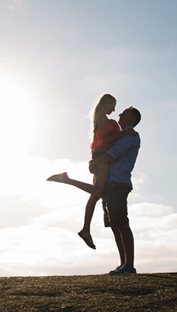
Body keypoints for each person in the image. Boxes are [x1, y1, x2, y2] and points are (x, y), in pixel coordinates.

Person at [46, 94, 136, 249]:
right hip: (102, 156)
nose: (114, 110)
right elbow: (107, 139)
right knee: (98, 192)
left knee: (95, 195)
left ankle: (86, 229)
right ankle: (66, 179)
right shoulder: (103, 118)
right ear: (107, 104)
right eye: (113, 106)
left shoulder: (101, 118)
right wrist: (124, 133)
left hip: (99, 155)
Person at [89, 106, 141, 274]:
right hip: (111, 183)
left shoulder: (130, 135)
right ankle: (123, 264)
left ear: (132, 119)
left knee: (121, 224)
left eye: (124, 114)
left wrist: (94, 162)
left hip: (117, 183)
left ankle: (129, 265)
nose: (120, 114)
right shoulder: (123, 135)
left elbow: (113, 154)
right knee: (115, 225)